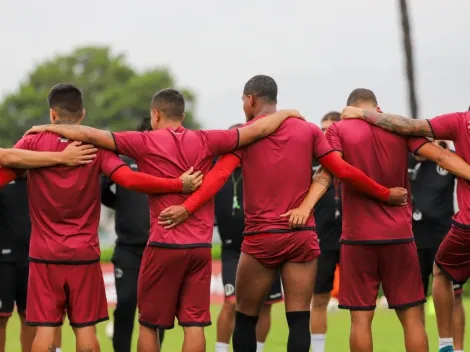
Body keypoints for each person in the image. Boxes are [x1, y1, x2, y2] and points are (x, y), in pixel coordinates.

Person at [23, 87, 309, 352]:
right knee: (194, 325)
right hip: (199, 247)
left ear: (155, 114)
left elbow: (94, 136)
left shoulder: (143, 141)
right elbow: (256, 129)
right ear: (182, 116)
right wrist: (286, 112)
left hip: (163, 244)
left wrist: (51, 127)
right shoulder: (207, 139)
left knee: (149, 323)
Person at [157, 76, 411, 352]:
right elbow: (342, 170)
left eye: (243, 100)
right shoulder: (308, 130)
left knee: (244, 317)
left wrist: (187, 208)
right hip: (300, 236)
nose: (244, 106)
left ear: (251, 99)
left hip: (261, 237)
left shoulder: (247, 133)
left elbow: (218, 176)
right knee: (299, 319)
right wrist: (385, 193)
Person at [1, 83, 203, 352]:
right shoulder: (94, 146)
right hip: (84, 254)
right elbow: (130, 180)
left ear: (51, 114)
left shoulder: (32, 143)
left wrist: (50, 159)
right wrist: (177, 185)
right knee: (86, 331)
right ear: (82, 114)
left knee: (45, 333)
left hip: (43, 255)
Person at [324, 88, 470, 352]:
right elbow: (440, 156)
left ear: (350, 108)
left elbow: (337, 170)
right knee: (413, 317)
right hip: (400, 237)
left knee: (360, 320)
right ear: (377, 108)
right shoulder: (396, 129)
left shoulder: (339, 130)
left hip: (357, 239)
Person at [214, 124, 283, 352]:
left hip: (263, 246)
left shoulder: (263, 169)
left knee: (265, 305)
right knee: (231, 303)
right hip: (232, 249)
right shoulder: (216, 170)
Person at [101, 117, 165, 352]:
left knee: (157, 311)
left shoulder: (168, 162)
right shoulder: (123, 162)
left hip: (160, 248)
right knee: (126, 304)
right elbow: (103, 191)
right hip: (128, 249)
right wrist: (123, 204)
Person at [408, 140, 466, 352]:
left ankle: (457, 349)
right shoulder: (403, 160)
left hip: (445, 237)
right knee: (415, 302)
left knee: (455, 297)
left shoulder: (447, 157)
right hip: (412, 239)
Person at [310, 111, 342, 352]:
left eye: (330, 130)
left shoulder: (356, 160)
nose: (325, 135)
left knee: (361, 303)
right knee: (319, 299)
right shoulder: (310, 163)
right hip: (322, 240)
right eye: (322, 130)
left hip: (355, 239)